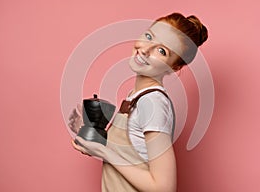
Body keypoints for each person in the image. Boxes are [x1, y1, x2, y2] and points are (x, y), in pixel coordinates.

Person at [68, 12, 208, 192]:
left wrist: (103, 152)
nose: (145, 49)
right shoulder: (137, 96)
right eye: (149, 36)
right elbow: (131, 152)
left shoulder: (153, 103)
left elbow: (164, 187)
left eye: (161, 51)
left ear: (174, 67)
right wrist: (90, 132)